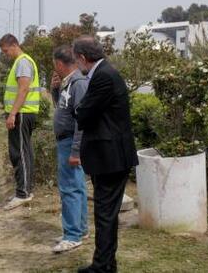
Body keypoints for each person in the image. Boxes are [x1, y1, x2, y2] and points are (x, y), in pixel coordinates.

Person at [73, 36, 138, 273]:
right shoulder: (104, 73)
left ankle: (102, 267)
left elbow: (84, 113)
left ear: (82, 57)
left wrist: (79, 109)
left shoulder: (103, 77)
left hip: (110, 158)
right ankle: (107, 264)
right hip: (109, 156)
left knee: (105, 215)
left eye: (75, 59)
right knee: (106, 214)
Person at [51, 45, 89, 253]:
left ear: (59, 63)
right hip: (66, 142)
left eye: (54, 65)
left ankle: (72, 235)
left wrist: (76, 151)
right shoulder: (68, 83)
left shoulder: (78, 83)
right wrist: (55, 90)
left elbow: (82, 121)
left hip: (70, 143)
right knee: (77, 187)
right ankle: (80, 229)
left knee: (70, 189)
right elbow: (63, 108)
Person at [0, 34, 40, 211]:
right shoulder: (22, 61)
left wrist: (12, 114)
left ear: (14, 45)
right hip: (24, 113)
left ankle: (22, 193)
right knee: (25, 152)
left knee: (19, 153)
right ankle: (26, 189)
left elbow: (23, 89)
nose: (6, 54)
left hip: (21, 114)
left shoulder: (22, 62)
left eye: (6, 50)